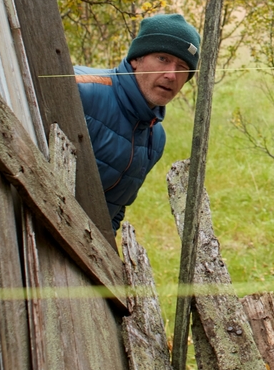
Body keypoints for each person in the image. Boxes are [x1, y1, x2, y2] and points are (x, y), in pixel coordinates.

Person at [75, 13, 200, 233]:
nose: (172, 75)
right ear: (136, 59)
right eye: (162, 58)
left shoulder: (156, 138)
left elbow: (115, 210)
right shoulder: (79, 91)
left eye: (182, 67)